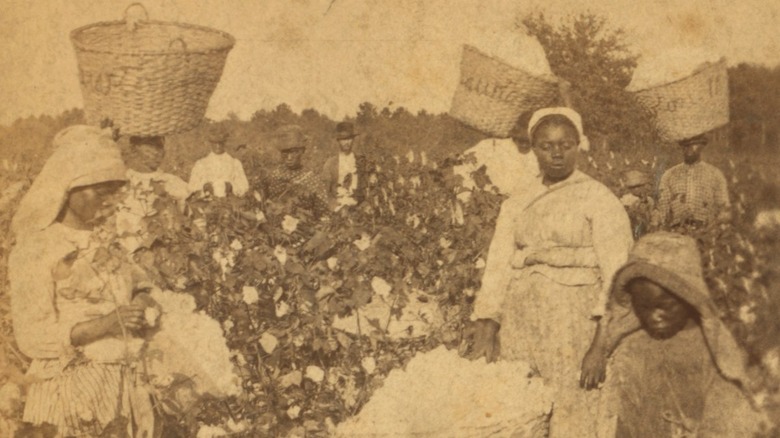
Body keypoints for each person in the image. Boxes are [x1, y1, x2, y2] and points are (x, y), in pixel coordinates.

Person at [463, 107, 633, 436]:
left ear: (579, 145)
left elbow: (617, 276)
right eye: (546, 146)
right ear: (534, 148)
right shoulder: (517, 201)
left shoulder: (599, 199)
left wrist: (599, 347)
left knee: (573, 415)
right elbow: (498, 265)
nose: (556, 154)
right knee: (520, 411)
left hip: (575, 327)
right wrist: (488, 324)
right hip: (521, 323)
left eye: (565, 144)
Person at [8, 126, 158, 437]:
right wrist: (106, 325)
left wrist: (141, 305)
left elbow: (142, 285)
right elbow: (32, 337)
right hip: (70, 391)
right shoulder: (36, 248)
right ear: (70, 188)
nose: (111, 202)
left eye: (117, 192)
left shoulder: (109, 240)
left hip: (126, 384)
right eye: (103, 193)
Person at [581, 232, 766, 437]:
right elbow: (624, 419)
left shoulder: (713, 352)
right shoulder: (633, 348)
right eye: (644, 307)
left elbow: (727, 417)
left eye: (666, 306)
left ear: (688, 297)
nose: (655, 317)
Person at [117, 135, 189, 252]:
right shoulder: (122, 182)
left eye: (160, 147)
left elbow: (193, 217)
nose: (156, 152)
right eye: (150, 146)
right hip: (130, 254)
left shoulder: (172, 182)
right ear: (134, 149)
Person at [452, 111, 541, 197]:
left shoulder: (539, 158)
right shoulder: (493, 146)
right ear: (516, 130)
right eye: (521, 140)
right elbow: (460, 168)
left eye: (530, 142)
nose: (525, 145)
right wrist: (469, 196)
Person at [653, 134, 730, 229]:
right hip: (677, 230)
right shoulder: (670, 174)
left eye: (693, 145)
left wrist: (715, 226)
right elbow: (662, 206)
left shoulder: (714, 174)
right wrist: (656, 221)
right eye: (685, 146)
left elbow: (723, 206)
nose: (688, 149)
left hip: (706, 230)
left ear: (701, 146)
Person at [261, 124, 330, 213]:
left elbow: (323, 212)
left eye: (294, 152)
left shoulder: (313, 180)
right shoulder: (272, 177)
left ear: (302, 151)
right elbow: (260, 206)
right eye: (285, 152)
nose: (289, 157)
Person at [188, 124, 249, 198]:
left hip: (230, 202)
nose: (218, 146)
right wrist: (203, 187)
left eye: (220, 143)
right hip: (206, 204)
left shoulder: (235, 163)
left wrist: (232, 186)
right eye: (215, 143)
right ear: (210, 143)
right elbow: (191, 187)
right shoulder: (201, 164)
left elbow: (244, 186)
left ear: (225, 143)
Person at [322, 121, 368, 209]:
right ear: (338, 140)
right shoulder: (330, 163)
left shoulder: (360, 161)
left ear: (353, 139)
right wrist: (335, 208)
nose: (346, 142)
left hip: (357, 206)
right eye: (343, 139)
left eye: (349, 139)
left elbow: (366, 190)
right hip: (338, 206)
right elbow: (325, 193)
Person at [620, 169, 655, 239]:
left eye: (639, 186)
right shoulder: (626, 199)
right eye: (633, 188)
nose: (637, 189)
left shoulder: (649, 200)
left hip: (646, 227)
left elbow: (651, 212)